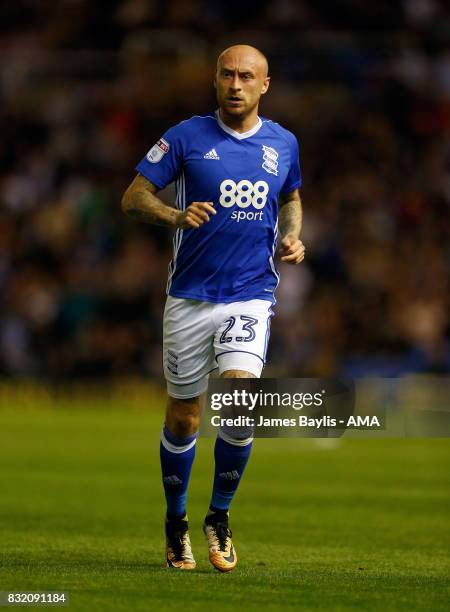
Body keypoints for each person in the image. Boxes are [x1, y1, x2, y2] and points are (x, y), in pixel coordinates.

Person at [122, 44, 305, 573]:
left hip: (251, 293)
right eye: (227, 73)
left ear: (264, 85)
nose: (235, 83)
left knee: (241, 401)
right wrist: (176, 216)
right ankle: (176, 523)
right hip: (189, 299)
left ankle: (218, 517)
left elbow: (290, 198)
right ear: (215, 79)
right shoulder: (184, 137)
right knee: (185, 416)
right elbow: (133, 198)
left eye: (247, 76)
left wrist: (292, 237)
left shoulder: (283, 143)